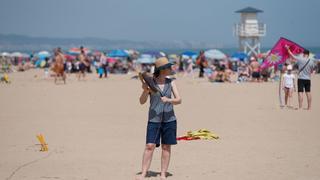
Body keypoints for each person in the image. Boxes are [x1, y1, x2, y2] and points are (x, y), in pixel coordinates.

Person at [137, 57, 182, 180]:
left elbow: (179, 100)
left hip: (169, 119)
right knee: (149, 146)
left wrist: (169, 100)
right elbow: (141, 102)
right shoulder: (151, 83)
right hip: (154, 120)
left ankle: (163, 174)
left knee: (166, 146)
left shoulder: (171, 82)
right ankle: (144, 174)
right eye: (168, 67)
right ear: (162, 69)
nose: (170, 69)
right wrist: (145, 91)